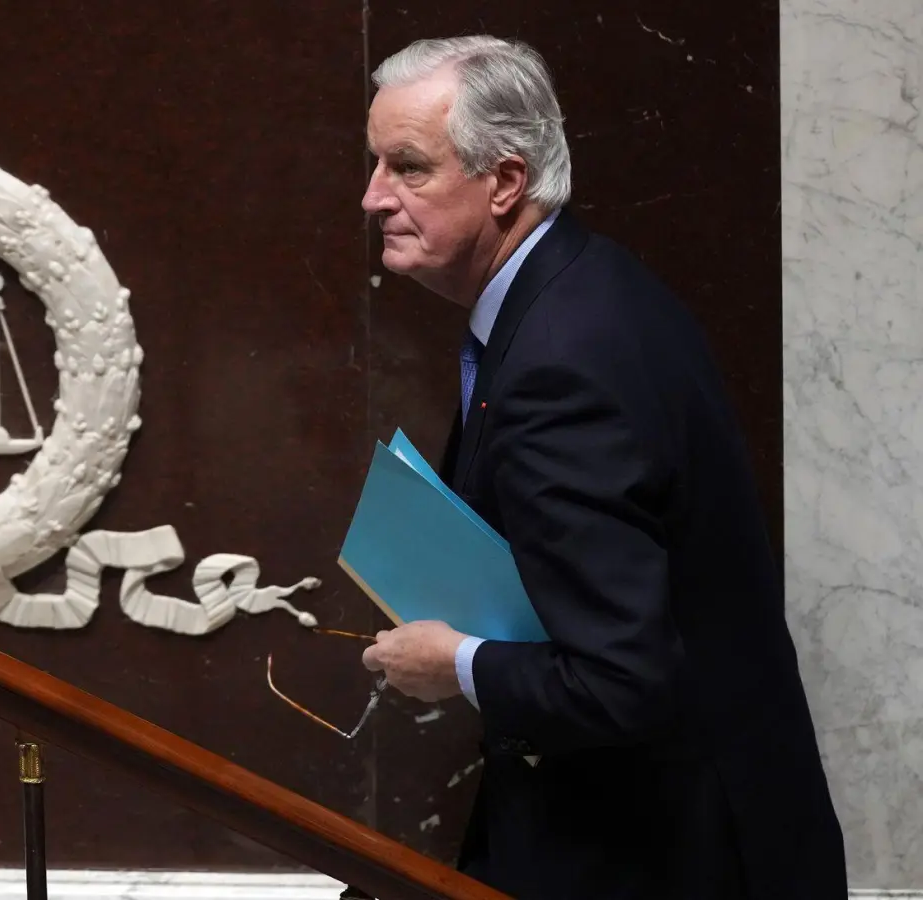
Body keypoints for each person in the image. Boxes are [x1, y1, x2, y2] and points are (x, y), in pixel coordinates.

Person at [352, 36, 845, 899]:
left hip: (666, 854)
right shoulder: (583, 286)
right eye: (375, 164)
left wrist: (455, 663)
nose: (373, 198)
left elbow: (623, 679)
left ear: (504, 182)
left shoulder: (564, 360)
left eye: (408, 168)